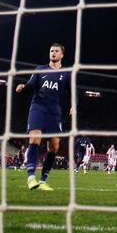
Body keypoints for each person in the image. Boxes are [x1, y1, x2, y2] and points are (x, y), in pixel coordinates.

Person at [15, 43, 72, 191]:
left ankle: (42, 181)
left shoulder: (67, 73)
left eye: (56, 51)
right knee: (35, 138)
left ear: (62, 55)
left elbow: (73, 91)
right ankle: (31, 177)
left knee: (54, 145)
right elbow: (31, 85)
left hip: (55, 111)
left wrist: (74, 105)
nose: (53, 53)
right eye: (51, 50)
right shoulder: (40, 69)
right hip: (38, 108)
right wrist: (23, 87)